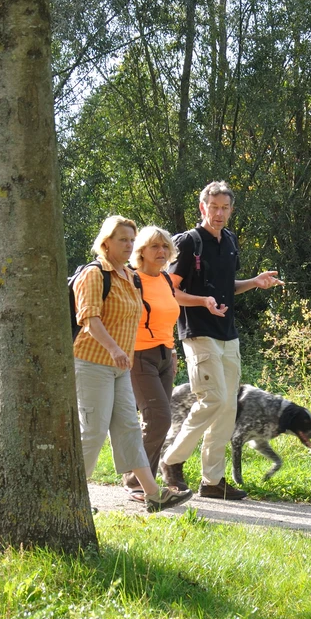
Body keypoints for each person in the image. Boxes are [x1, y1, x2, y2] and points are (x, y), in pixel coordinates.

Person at [159, 181, 284, 500]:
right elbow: (170, 291)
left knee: (227, 408)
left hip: (229, 335)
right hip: (198, 333)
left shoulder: (229, 240)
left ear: (230, 210)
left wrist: (254, 283)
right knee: (212, 400)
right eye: (213, 207)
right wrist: (203, 302)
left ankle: (212, 481)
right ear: (202, 208)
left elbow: (227, 286)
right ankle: (171, 461)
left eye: (224, 208)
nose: (219, 213)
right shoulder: (188, 242)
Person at [72, 215, 190, 511]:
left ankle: (153, 494)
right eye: (122, 239)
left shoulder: (128, 275)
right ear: (106, 243)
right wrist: (114, 349)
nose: (128, 244)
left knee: (129, 429)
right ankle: (73, 499)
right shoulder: (95, 274)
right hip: (92, 362)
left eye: (130, 239)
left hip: (120, 366)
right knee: (93, 432)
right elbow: (88, 317)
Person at [122, 225, 227, 499]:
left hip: (164, 355)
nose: (161, 251)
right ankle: (137, 482)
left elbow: (171, 307)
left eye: (165, 247)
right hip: (138, 355)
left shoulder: (166, 280)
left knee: (159, 421)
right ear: (140, 251)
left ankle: (147, 481)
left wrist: (203, 302)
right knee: (158, 418)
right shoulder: (131, 279)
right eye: (154, 246)